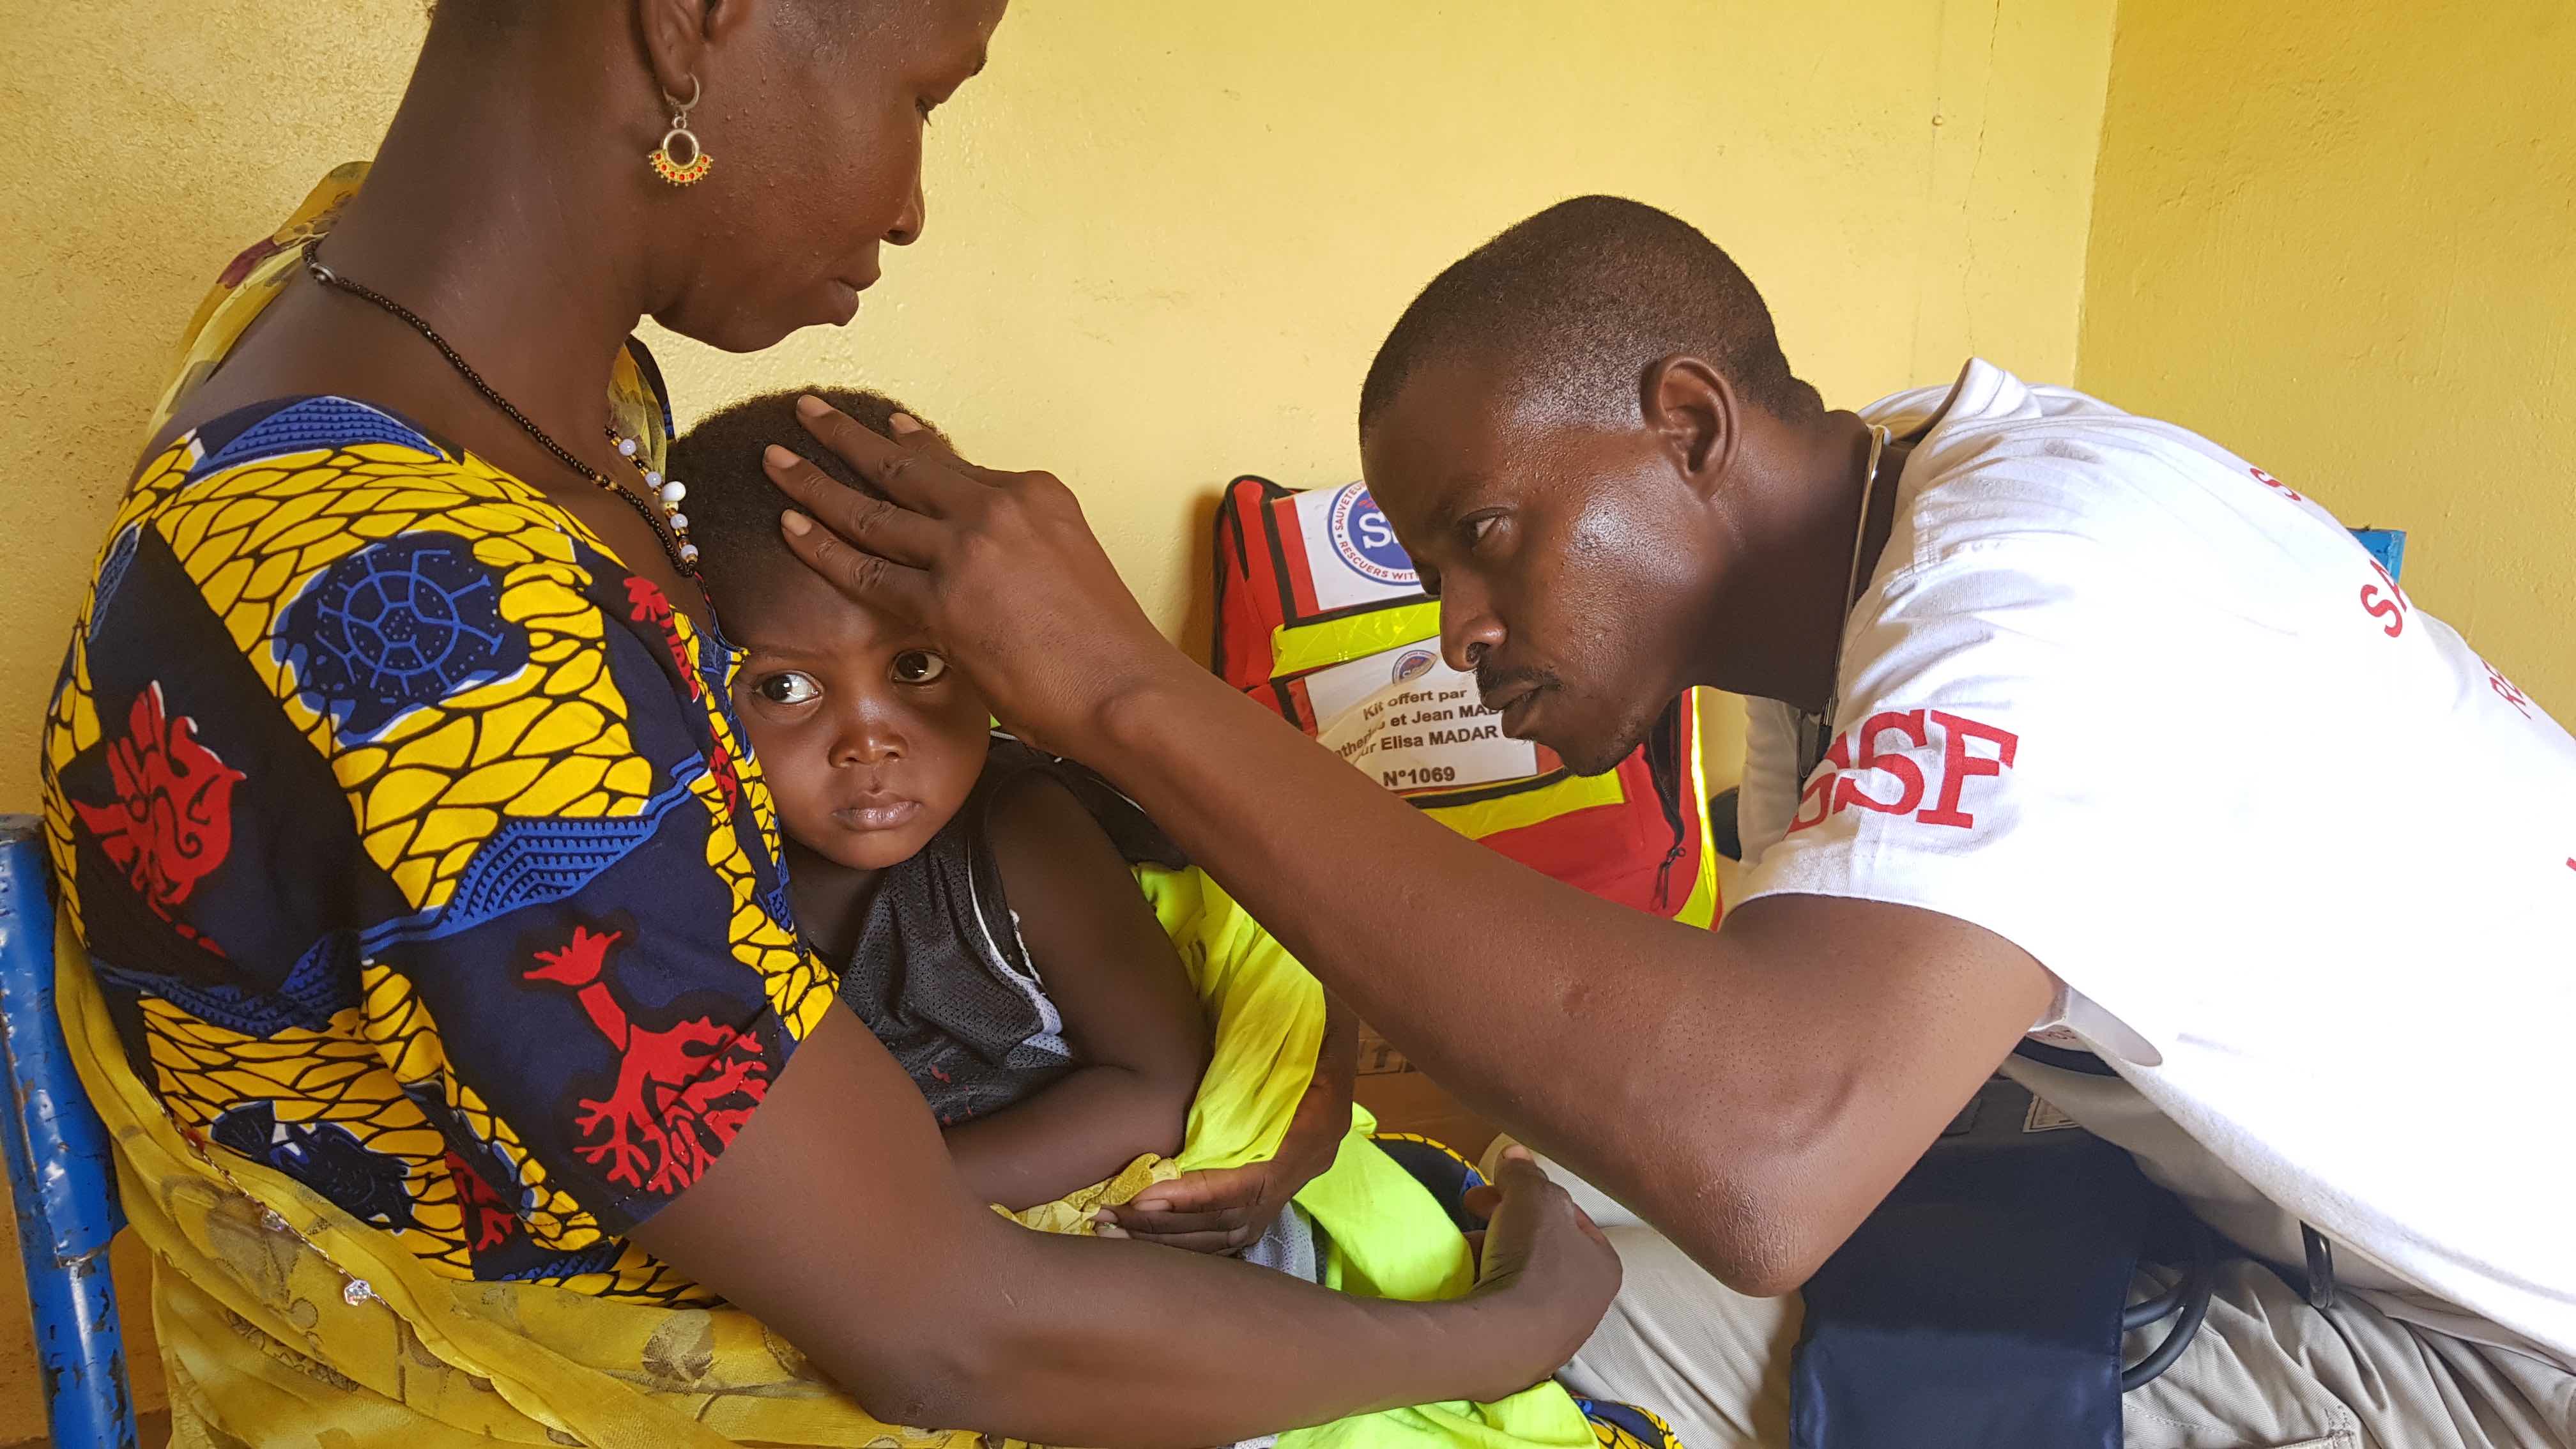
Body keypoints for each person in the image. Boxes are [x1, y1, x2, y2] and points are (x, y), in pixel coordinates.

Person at [33, 4, 1618, 1444]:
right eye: (923, 91)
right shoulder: (437, 627)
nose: (913, 200)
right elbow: (951, 1337)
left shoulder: (437, 361)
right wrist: (1498, 1337)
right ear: (690, 27)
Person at [763, 194, 2576, 1448]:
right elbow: (1798, 1039)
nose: (1462, 631)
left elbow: (1771, 1150)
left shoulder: (2030, 594)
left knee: (1463, 1381)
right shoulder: (1904, 551)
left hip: (2511, 1356)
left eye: (1484, 534)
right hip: (2300, 1239)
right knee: (1483, 1268)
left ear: (1688, 426)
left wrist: (1130, 698)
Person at [666, 385, 1683, 1449]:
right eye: (781, 689)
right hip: (932, 1278)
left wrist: (897, 1202)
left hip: (1170, 1260)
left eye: (917, 668)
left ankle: (1515, 1259)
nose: (869, 742)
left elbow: (1156, 1087)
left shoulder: (1016, 837)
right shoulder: (690, 876)